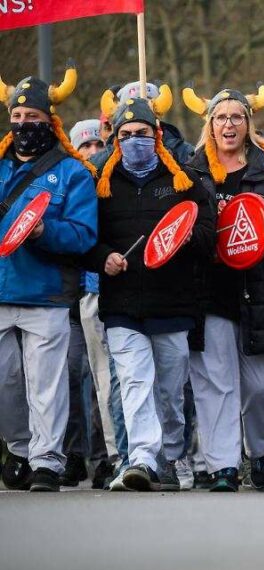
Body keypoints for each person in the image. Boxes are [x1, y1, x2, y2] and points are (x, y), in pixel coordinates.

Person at [86, 94, 214, 491]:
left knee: (170, 392)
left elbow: (209, 236)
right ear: (115, 137)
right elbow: (87, 238)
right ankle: (141, 459)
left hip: (172, 302)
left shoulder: (185, 180)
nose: (133, 140)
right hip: (122, 304)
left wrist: (191, 237)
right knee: (135, 381)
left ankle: (173, 455)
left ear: (156, 134)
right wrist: (103, 257)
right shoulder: (100, 182)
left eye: (141, 133)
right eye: (125, 134)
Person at [182, 84, 264, 492]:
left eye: (236, 117)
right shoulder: (191, 172)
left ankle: (261, 451)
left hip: (263, 292)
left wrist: (261, 225)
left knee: (262, 387)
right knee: (215, 383)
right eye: (221, 117)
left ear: (248, 124)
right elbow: (181, 230)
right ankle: (223, 466)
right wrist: (208, 225)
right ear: (210, 125)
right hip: (211, 292)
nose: (228, 124)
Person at [0, 64, 98, 491]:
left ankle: (47, 461)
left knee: (47, 384)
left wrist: (44, 231)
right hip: (1, 290)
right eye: (18, 119)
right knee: (5, 383)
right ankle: (19, 449)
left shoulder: (74, 172)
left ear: (49, 121)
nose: (24, 126)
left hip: (48, 293)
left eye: (33, 119)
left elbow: (84, 236)